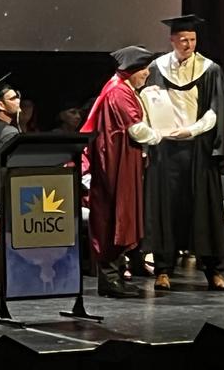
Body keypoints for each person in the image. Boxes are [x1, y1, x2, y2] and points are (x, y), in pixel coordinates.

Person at [142, 14, 224, 291]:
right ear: (172, 40)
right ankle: (163, 270)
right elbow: (147, 103)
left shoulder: (210, 69)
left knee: (204, 209)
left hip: (198, 149)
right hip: (165, 149)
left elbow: (216, 111)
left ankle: (213, 270)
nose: (188, 44)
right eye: (183, 39)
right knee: (165, 210)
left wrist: (192, 131)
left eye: (192, 39)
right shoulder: (157, 68)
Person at [81, 45, 162, 298]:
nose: (147, 74)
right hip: (116, 164)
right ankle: (110, 280)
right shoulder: (118, 92)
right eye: (144, 70)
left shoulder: (119, 88)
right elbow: (136, 130)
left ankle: (116, 275)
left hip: (123, 160)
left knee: (120, 214)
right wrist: (164, 134)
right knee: (115, 215)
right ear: (132, 70)